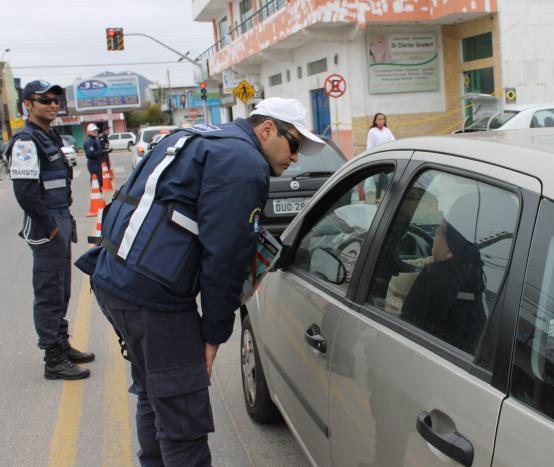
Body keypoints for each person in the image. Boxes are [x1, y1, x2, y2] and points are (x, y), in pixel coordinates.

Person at [75, 97, 325, 466]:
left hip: (114, 276)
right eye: (295, 145)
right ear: (268, 129)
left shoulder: (200, 136)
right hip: (153, 296)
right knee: (182, 417)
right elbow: (224, 259)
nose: (296, 157)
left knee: (155, 394)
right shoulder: (243, 163)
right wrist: (214, 334)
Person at [6, 80, 94, 380]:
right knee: (48, 292)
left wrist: (65, 221)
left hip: (59, 218)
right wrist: (50, 228)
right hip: (46, 223)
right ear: (28, 105)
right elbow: (26, 193)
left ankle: (61, 342)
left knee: (62, 288)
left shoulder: (49, 136)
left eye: (56, 99)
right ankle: (53, 359)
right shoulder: (27, 141)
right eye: (44, 100)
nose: (53, 104)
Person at [401, 195, 487, 355]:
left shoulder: (435, 278)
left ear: (453, 242)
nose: (435, 233)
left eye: (440, 230)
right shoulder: (475, 276)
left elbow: (404, 328)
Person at [84, 123, 108, 188]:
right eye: (93, 131)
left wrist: (105, 151)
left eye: (96, 130)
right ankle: (97, 195)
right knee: (96, 182)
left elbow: (99, 149)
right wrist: (102, 152)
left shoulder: (95, 139)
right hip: (93, 163)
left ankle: (99, 194)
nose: (95, 132)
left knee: (99, 181)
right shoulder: (89, 141)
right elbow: (90, 154)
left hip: (97, 162)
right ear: (89, 132)